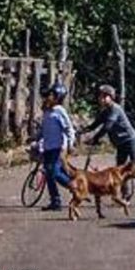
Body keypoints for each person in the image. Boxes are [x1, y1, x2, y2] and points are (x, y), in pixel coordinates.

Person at [84, 84, 135, 206]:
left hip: (130, 140)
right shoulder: (105, 112)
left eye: (104, 96)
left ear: (111, 97)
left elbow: (107, 126)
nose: (101, 99)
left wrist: (95, 138)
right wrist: (82, 131)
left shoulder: (115, 109)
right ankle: (125, 196)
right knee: (120, 169)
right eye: (100, 96)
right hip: (120, 143)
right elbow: (94, 125)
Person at [38, 82, 75, 212]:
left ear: (57, 97)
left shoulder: (59, 111)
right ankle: (55, 201)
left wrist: (70, 144)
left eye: (52, 95)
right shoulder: (47, 111)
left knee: (55, 172)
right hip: (47, 147)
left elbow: (69, 129)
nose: (48, 97)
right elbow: (43, 129)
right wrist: (36, 138)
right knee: (49, 174)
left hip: (57, 148)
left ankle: (75, 186)